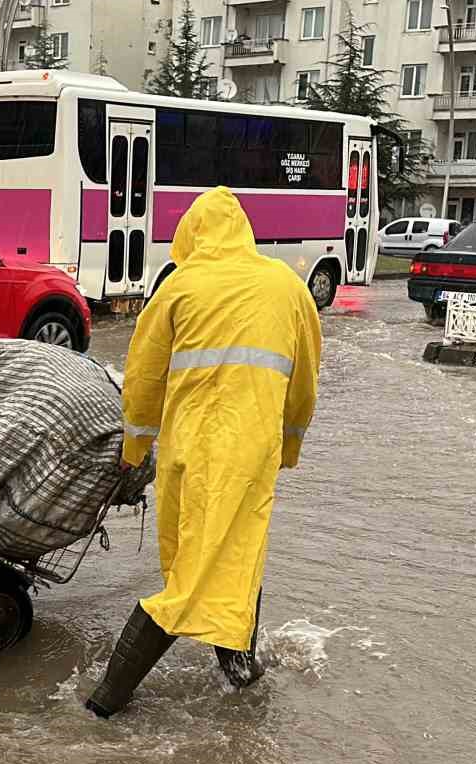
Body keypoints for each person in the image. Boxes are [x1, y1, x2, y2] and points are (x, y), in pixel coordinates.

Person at [86, 187, 321, 719]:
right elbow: (304, 381)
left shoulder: (179, 287)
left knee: (211, 557)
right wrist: (289, 445)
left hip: (187, 452)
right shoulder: (287, 287)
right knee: (219, 559)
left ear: (193, 234)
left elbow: (144, 381)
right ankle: (110, 700)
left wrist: (134, 448)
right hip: (248, 452)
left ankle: (235, 670)